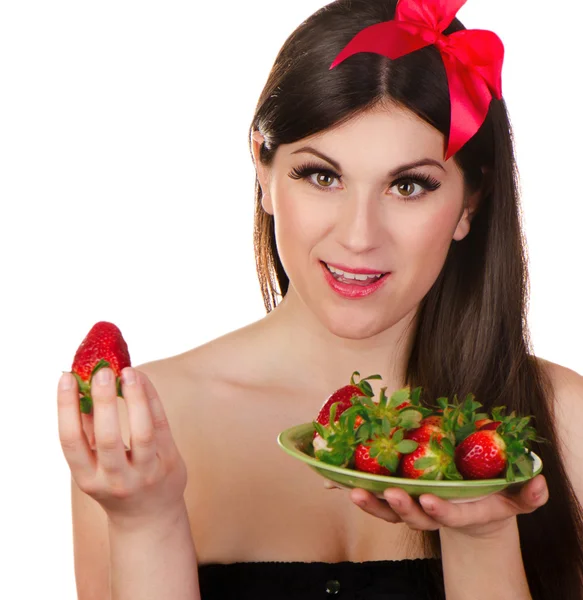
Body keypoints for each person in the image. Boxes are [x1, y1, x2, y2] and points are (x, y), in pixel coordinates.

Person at [57, 0, 583, 598]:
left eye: (408, 186)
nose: (359, 235)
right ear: (264, 170)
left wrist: (482, 538)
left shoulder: (569, 423)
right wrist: (144, 521)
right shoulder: (143, 430)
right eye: (322, 176)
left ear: (470, 201)